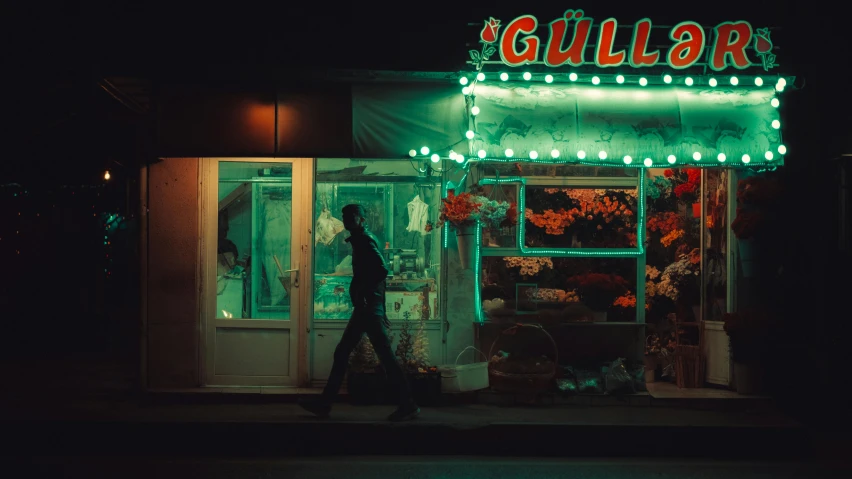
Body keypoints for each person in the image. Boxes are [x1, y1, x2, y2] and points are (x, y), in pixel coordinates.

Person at [300, 204, 420, 421]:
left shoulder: (364, 240)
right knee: (358, 354)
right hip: (367, 307)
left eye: (351, 216)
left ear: (362, 219)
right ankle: (326, 403)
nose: (346, 219)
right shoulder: (361, 239)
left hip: (367, 308)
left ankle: (407, 403)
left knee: (374, 356)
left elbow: (381, 269)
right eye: (345, 216)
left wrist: (365, 293)